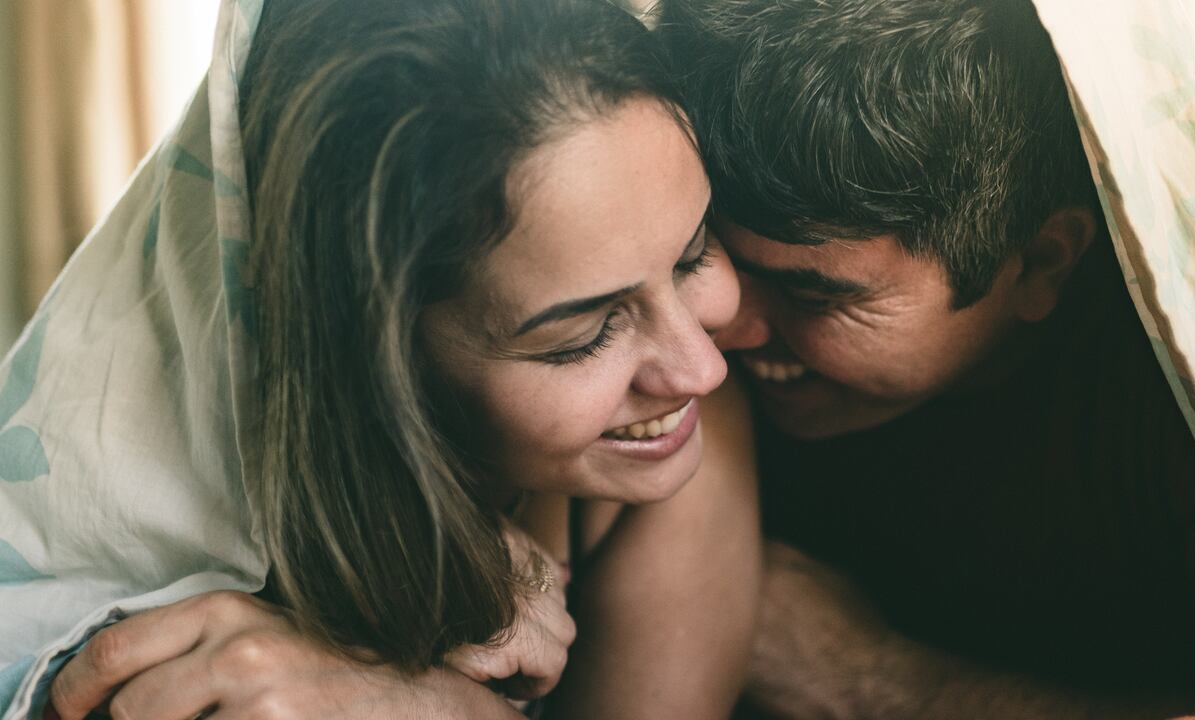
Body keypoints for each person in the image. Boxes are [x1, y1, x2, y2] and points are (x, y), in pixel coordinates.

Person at [1, 0, 759, 718]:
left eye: (693, 255)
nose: (702, 368)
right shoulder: (149, 630)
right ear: (381, 359)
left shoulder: (667, 432)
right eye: (582, 336)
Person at [657, 0, 1195, 716]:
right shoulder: (691, 353)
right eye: (702, 258)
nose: (717, 335)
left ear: (1040, 263)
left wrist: (872, 680)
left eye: (811, 295)